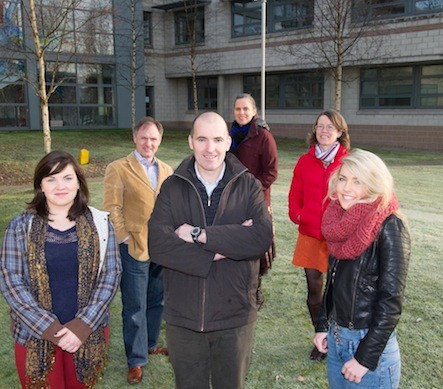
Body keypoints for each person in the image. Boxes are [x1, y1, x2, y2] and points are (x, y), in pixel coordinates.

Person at [148, 111, 273, 389]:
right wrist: (224, 247)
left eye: (217, 139)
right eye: (202, 139)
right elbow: (158, 245)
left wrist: (198, 235)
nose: (210, 148)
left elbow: (260, 238)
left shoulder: (249, 185)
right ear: (191, 142)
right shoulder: (172, 187)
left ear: (228, 142)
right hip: (184, 318)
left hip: (234, 316)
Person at [0, 150, 121, 388]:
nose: (60, 186)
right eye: (51, 179)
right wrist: (50, 329)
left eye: (67, 178)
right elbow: (11, 281)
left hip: (88, 334)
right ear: (40, 186)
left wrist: (82, 326)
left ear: (78, 183)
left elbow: (110, 276)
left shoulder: (101, 224)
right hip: (34, 335)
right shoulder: (20, 226)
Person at [313, 149, 411, 388]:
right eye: (343, 179)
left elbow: (391, 302)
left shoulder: (389, 226)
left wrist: (364, 358)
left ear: (374, 184)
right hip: (337, 339)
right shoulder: (338, 221)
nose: (346, 188)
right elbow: (334, 282)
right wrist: (324, 325)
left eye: (358, 181)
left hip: (368, 349)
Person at [103, 116, 174, 384]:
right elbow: (112, 207)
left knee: (157, 301)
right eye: (144, 137)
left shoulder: (167, 170)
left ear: (160, 141)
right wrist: (124, 238)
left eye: (154, 138)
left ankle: (150, 344)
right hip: (134, 248)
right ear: (135, 137)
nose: (148, 143)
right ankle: (135, 359)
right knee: (134, 305)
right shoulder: (118, 168)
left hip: (161, 248)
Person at [288, 109, 350, 361]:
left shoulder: (348, 162)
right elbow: (295, 195)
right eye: (320, 126)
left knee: (339, 294)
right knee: (314, 292)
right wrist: (298, 215)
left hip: (340, 237)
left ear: (340, 132)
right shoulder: (305, 161)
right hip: (310, 235)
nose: (324, 131)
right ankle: (321, 338)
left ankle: (339, 341)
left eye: (330, 127)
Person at [229, 93, 278, 284]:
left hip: (256, 200)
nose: (241, 113)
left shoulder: (263, 136)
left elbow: (272, 171)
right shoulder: (230, 135)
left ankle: (255, 288)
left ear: (254, 111)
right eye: (237, 109)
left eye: (245, 109)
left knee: (257, 246)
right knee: (235, 243)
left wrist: (252, 191)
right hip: (232, 200)